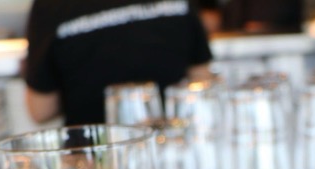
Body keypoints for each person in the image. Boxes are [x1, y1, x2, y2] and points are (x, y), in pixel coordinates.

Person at [24, 0, 214, 125]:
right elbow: (201, 79)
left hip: (93, 162)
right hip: (171, 157)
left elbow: (40, 110)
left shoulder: (49, 6)